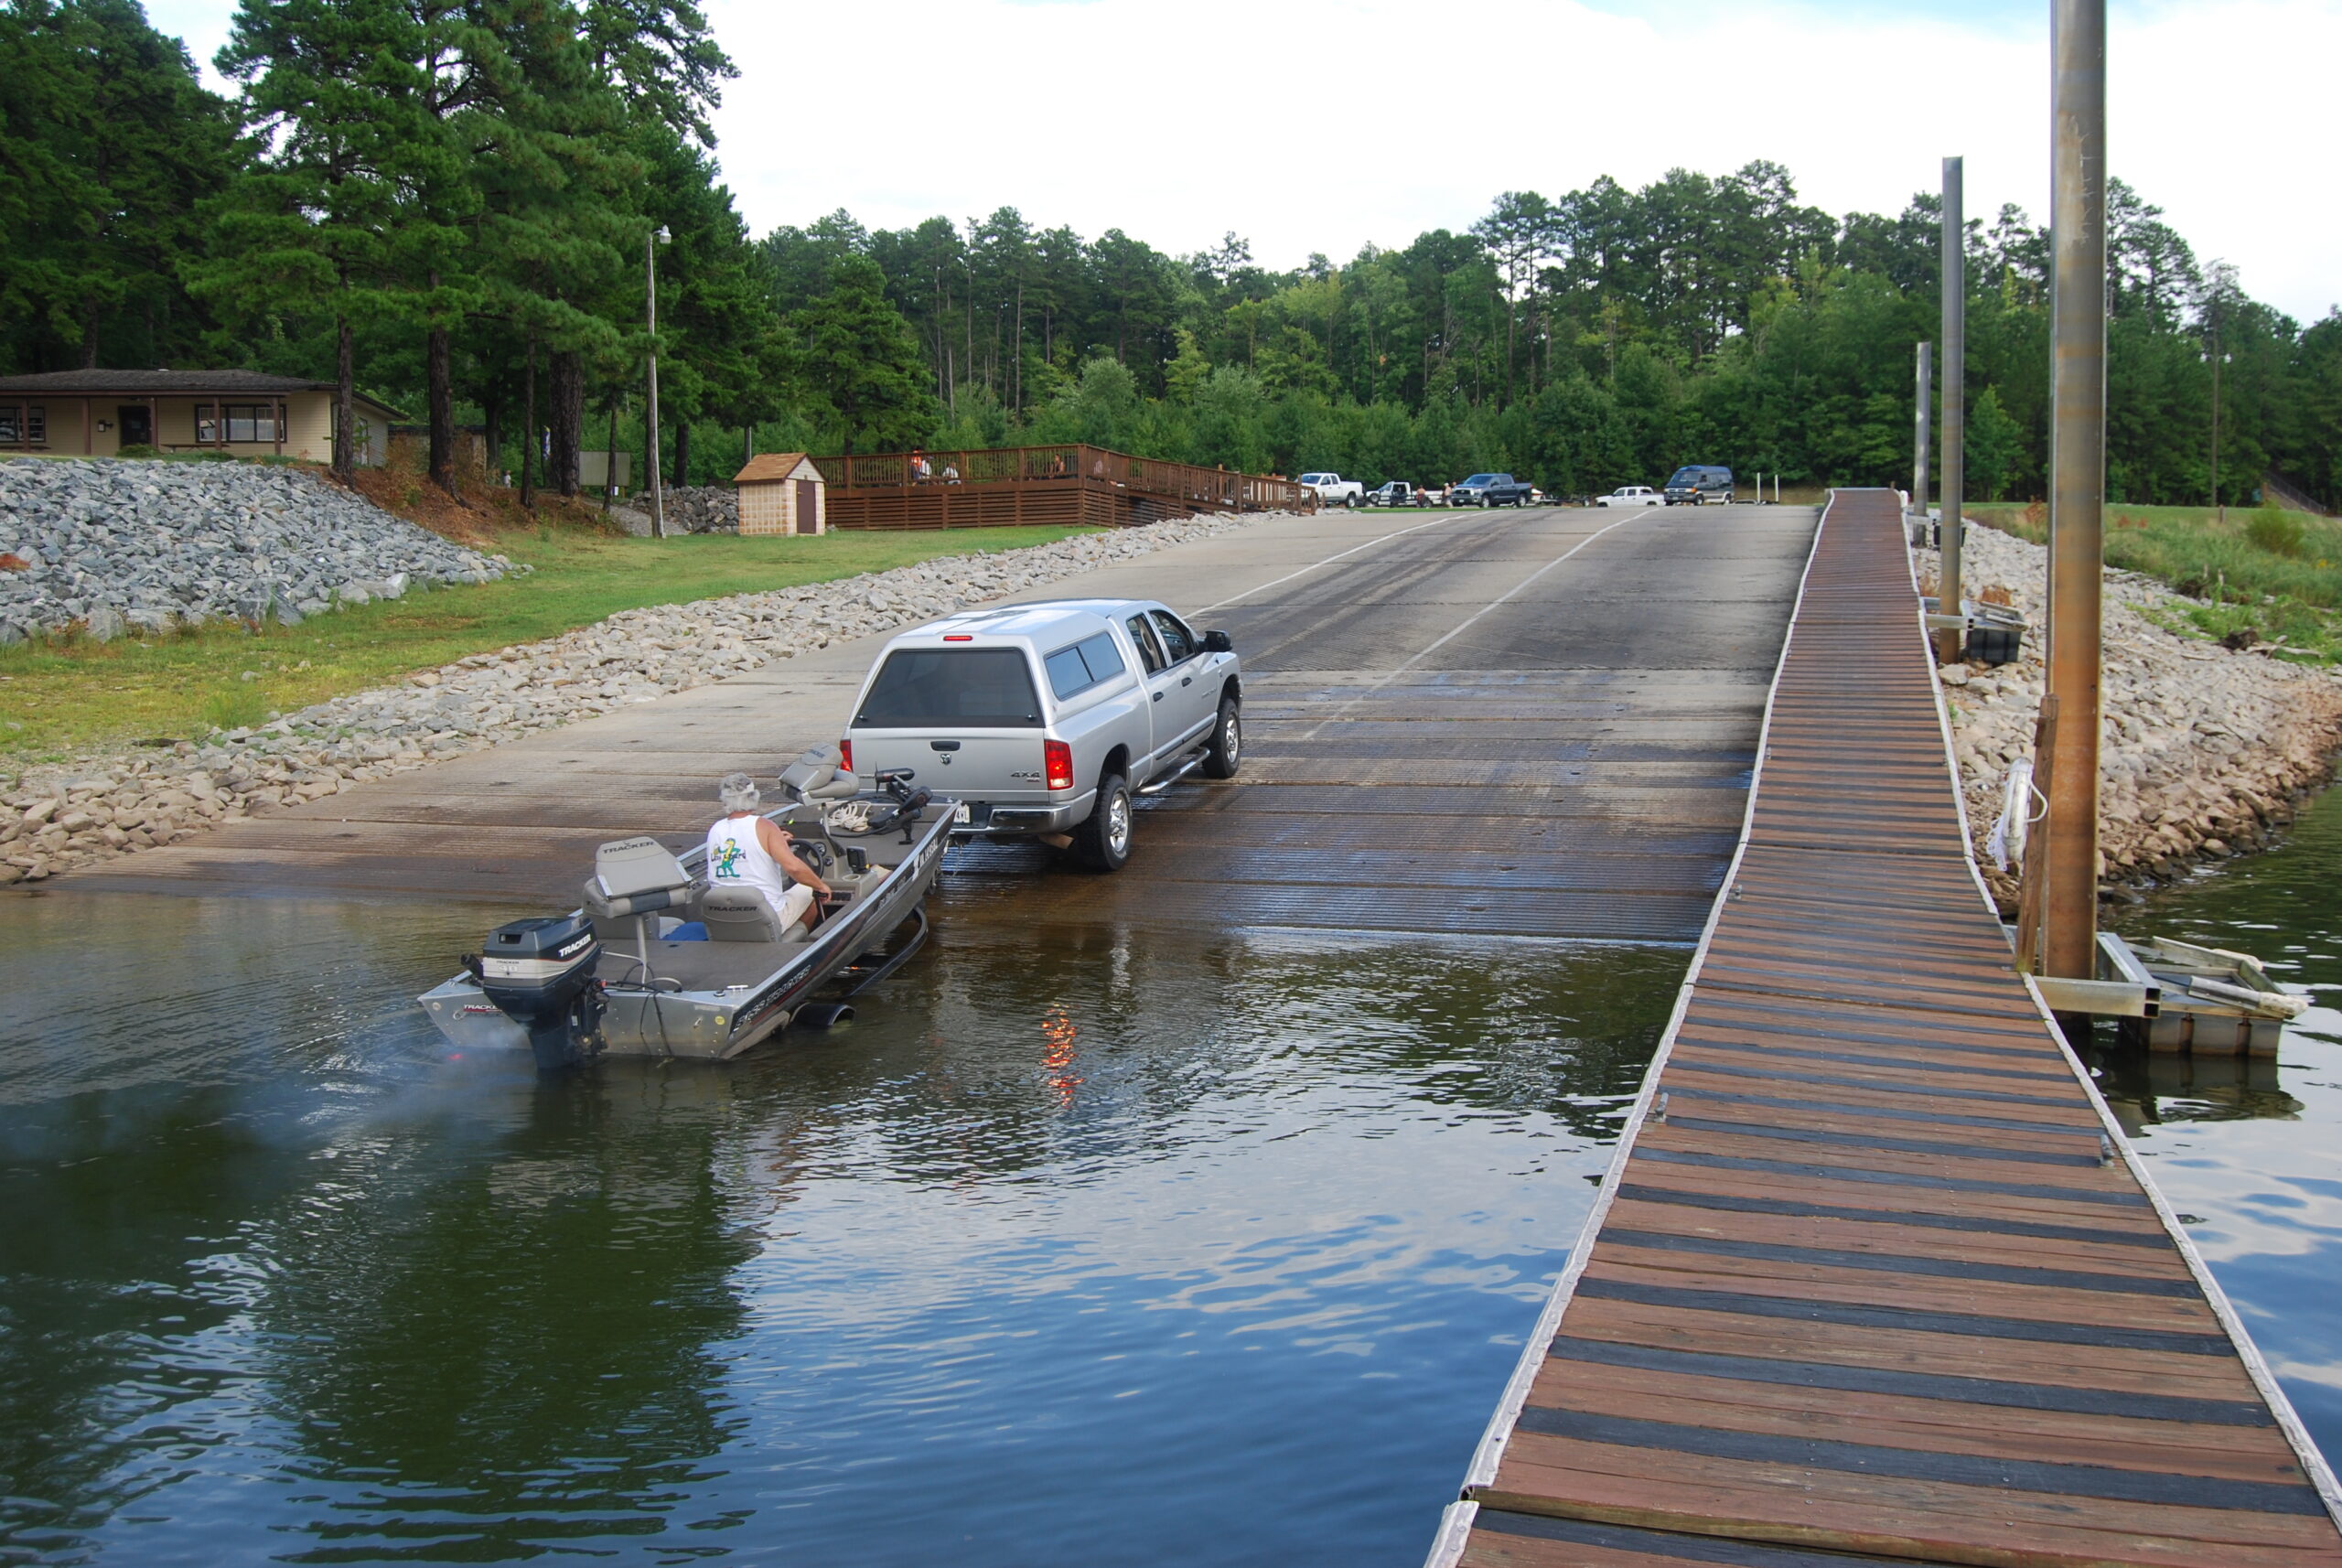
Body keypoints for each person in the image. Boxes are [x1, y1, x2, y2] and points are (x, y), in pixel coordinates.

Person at [704, 772, 832, 933]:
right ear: (753, 797)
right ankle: (792, 945)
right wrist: (820, 886)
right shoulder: (765, 825)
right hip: (765, 917)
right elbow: (794, 868)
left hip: (722, 916)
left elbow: (745, 848)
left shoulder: (715, 829)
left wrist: (777, 842)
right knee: (808, 890)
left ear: (724, 800)